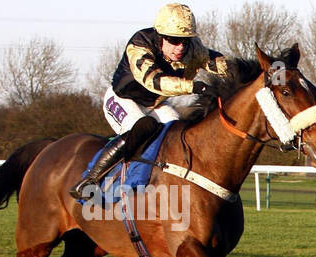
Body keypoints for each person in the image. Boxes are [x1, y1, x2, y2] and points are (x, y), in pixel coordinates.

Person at [70, 3, 229, 199]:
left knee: (177, 131)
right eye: (173, 40)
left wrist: (247, 72)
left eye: (185, 41)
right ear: (160, 36)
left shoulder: (191, 48)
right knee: (141, 127)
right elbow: (154, 81)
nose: (180, 47)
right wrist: (194, 86)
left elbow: (217, 61)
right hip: (123, 99)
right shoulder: (139, 44)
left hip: (156, 104)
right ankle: (89, 180)